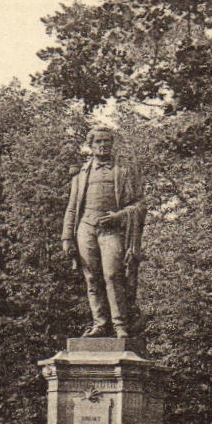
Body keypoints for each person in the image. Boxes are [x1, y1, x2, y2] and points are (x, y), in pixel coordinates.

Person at [61, 126, 146, 338]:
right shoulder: (81, 175)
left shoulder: (123, 171)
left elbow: (139, 203)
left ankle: (120, 325)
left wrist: (118, 216)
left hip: (111, 229)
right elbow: (72, 208)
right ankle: (99, 323)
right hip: (86, 228)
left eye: (107, 141)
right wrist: (66, 237)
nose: (103, 145)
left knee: (113, 275)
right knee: (91, 277)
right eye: (98, 142)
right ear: (91, 146)